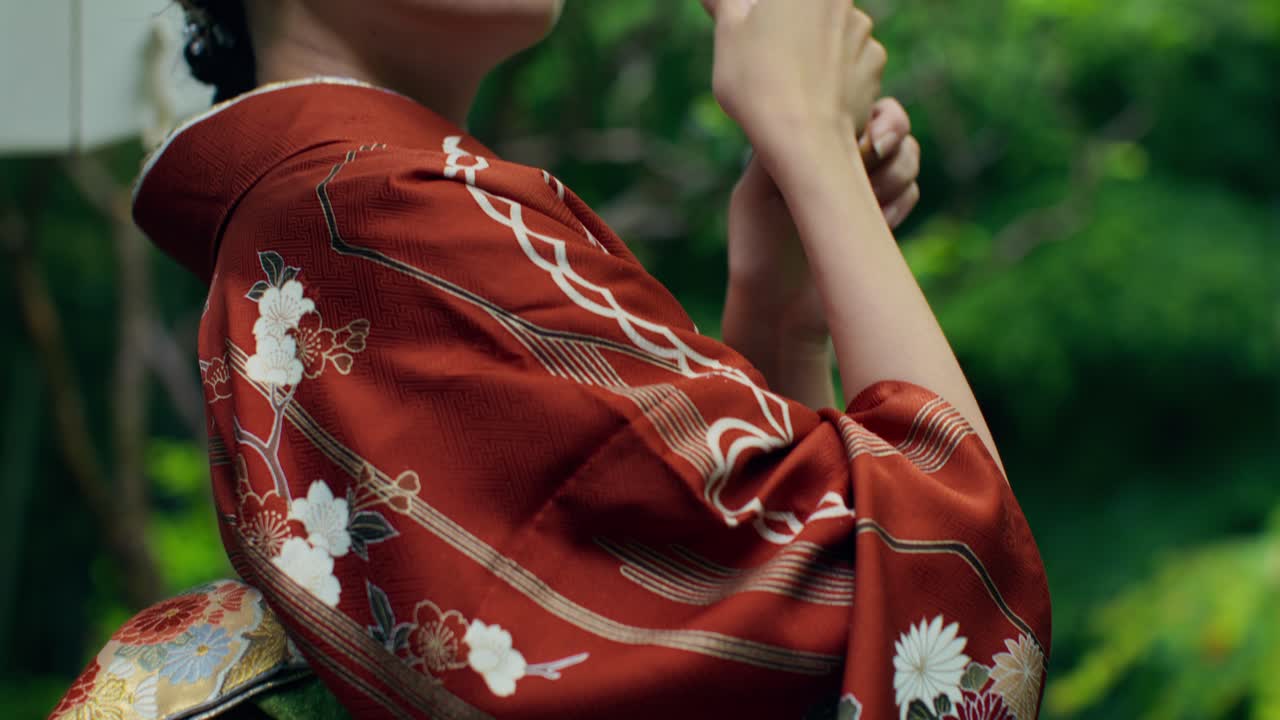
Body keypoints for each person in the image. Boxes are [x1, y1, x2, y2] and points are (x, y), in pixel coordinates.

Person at [53, 1, 1051, 718]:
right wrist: (807, 138)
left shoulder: (362, 209)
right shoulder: (372, 215)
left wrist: (781, 309)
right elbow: (953, 581)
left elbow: (744, 616)